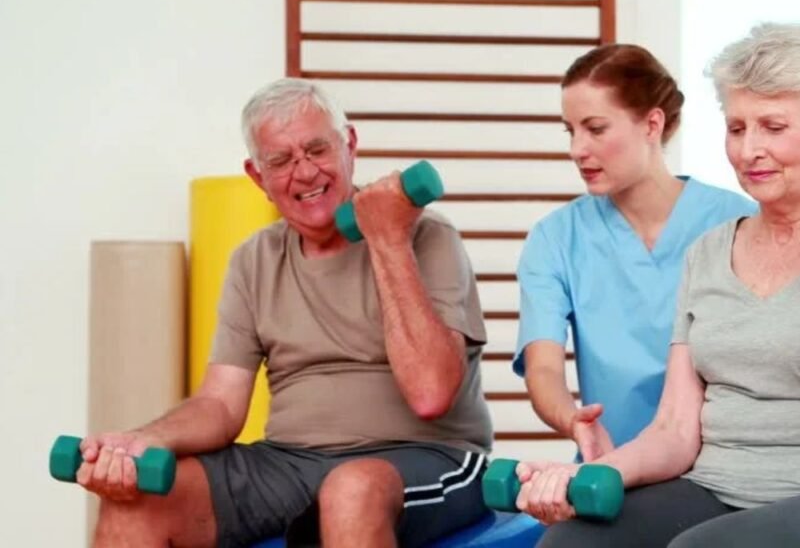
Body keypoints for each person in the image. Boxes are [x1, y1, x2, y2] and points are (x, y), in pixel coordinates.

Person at [515, 23, 800, 548]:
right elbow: (675, 430)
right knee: (572, 544)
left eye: (773, 126)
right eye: (737, 128)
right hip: (719, 488)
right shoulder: (709, 250)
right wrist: (586, 475)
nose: (749, 151)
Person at [75, 78, 493, 548]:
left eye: (317, 149)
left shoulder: (427, 237)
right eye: (281, 161)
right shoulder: (254, 259)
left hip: (428, 456)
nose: (306, 172)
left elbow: (431, 393)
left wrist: (387, 239)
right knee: (136, 505)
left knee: (351, 490)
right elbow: (220, 404)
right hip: (289, 462)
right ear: (258, 177)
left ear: (349, 145)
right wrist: (147, 439)